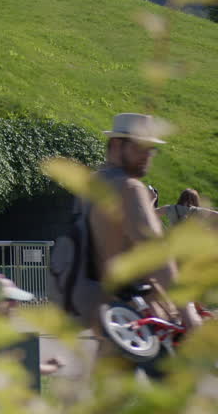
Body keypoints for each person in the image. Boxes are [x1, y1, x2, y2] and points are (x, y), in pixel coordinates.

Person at [87, 114, 203, 352]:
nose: (149, 155)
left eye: (152, 149)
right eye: (142, 147)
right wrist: (187, 312)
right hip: (136, 306)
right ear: (118, 145)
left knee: (110, 381)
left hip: (102, 306)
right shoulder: (130, 188)